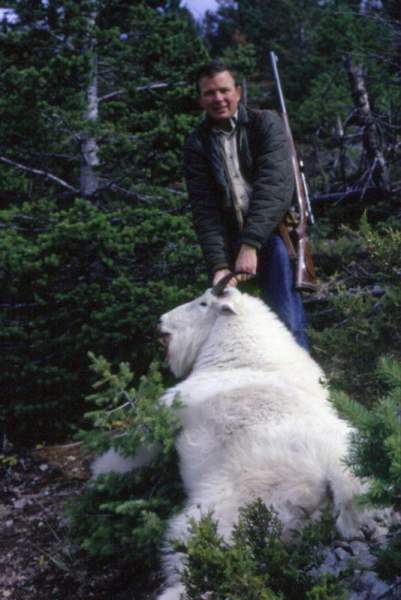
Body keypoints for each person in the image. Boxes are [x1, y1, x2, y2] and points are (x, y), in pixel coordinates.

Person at [184, 61, 308, 349]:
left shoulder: (265, 124)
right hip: (229, 249)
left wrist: (251, 244)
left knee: (287, 325)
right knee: (237, 335)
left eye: (224, 90)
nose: (218, 99)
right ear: (200, 99)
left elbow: (274, 188)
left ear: (238, 92)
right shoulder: (197, 144)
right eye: (210, 93)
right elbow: (205, 211)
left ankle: (308, 391)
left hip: (275, 237)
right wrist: (218, 265)